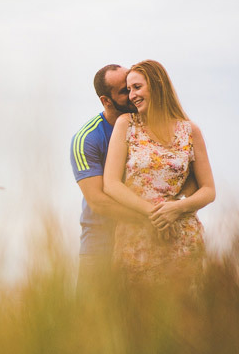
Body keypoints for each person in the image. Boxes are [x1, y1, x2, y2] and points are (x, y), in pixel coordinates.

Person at [102, 60, 215, 283]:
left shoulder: (190, 131)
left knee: (185, 313)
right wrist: (155, 215)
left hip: (183, 239)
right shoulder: (127, 124)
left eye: (137, 87)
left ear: (157, 85)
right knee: (136, 312)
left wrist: (176, 208)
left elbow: (208, 190)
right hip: (138, 238)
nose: (132, 95)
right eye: (128, 90)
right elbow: (111, 184)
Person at [70, 64, 152, 288]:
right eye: (124, 91)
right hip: (100, 246)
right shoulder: (87, 138)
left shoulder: (150, 127)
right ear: (106, 101)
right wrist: (149, 219)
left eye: (132, 87)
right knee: (91, 320)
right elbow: (98, 201)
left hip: (148, 242)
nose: (132, 94)